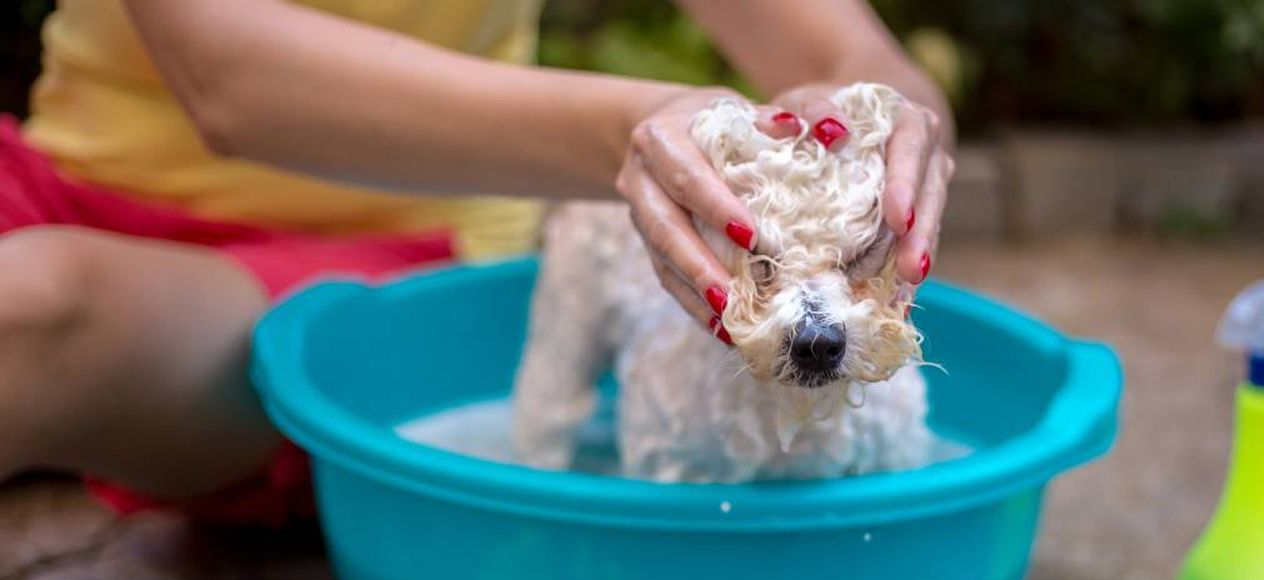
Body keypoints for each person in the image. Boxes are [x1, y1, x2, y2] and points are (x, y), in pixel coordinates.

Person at [0, 0, 953, 522]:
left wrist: (882, 123)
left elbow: (853, 53)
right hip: (53, 179)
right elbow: (226, 76)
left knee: (30, 307)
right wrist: (632, 129)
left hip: (380, 270)